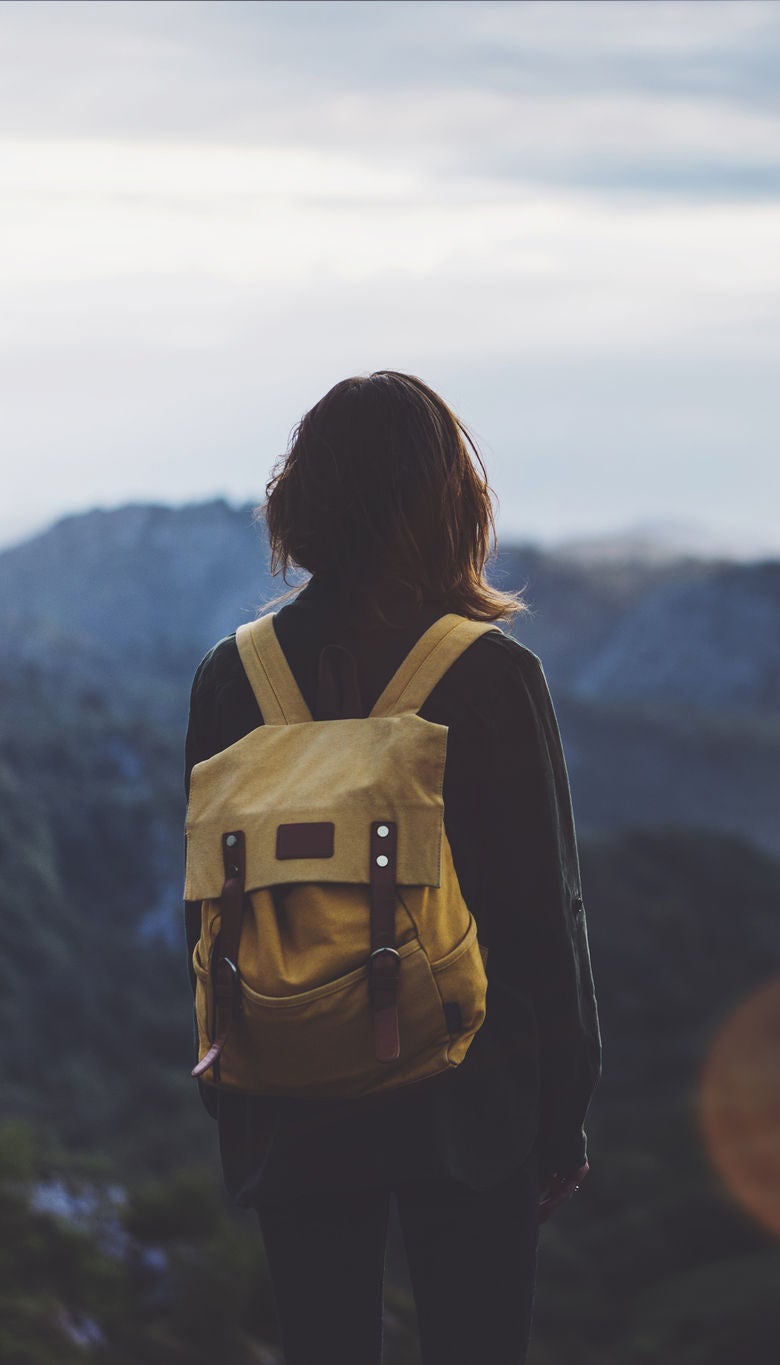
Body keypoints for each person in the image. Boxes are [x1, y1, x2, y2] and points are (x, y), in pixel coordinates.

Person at [181, 371, 601, 1365]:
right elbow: (545, 915)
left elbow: (205, 908)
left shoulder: (229, 678)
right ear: (451, 504)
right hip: (468, 1096)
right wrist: (561, 1118)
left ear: (300, 500)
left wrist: (230, 1090)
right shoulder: (490, 673)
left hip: (287, 1089)